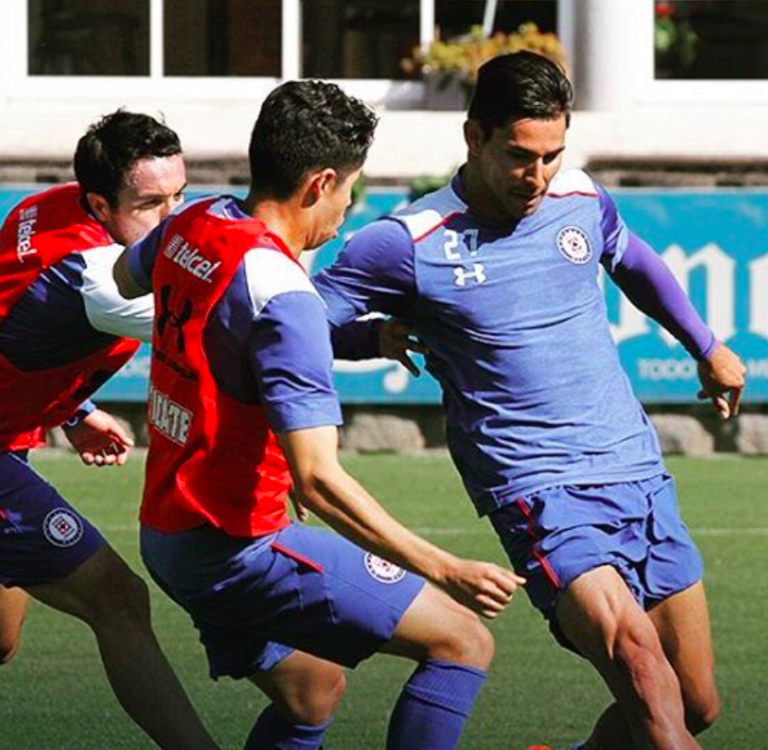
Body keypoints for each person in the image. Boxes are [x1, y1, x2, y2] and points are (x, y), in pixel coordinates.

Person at [312, 52, 747, 750]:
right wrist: (375, 337)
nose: (538, 176)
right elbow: (301, 317)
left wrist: (706, 345)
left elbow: (632, 260)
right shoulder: (407, 243)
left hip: (635, 471)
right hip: (538, 489)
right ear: (473, 137)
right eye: (520, 156)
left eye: (552, 155)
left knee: (693, 703)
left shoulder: (578, 198)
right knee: (640, 668)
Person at [113, 80, 524, 750]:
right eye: (350, 189)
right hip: (234, 544)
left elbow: (134, 280)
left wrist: (365, 337)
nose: (347, 208)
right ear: (320, 182)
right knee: (462, 640)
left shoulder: (195, 223)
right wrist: (445, 568)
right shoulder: (286, 295)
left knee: (313, 692)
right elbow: (320, 482)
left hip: (166, 529)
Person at [0, 110, 221, 750]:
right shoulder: (97, 278)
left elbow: (19, 318)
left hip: (13, 440)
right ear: (100, 202)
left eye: (181, 195)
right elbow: (243, 319)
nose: (174, 217)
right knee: (118, 600)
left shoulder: (50, 206)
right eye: (152, 203)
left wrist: (71, 410)